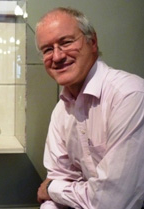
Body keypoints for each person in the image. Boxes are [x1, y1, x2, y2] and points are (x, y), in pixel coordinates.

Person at [35, 7, 144, 209]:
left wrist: (52, 189)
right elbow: (58, 180)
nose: (57, 57)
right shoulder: (61, 110)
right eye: (47, 49)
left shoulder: (130, 96)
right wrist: (54, 192)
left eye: (66, 42)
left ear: (92, 42)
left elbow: (113, 202)